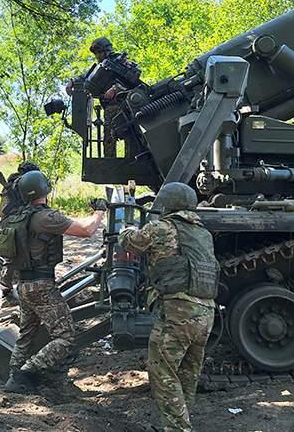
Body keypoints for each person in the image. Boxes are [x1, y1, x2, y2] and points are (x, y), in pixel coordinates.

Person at [118, 182, 219, 432]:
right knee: (188, 373)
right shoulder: (202, 233)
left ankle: (177, 429)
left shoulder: (161, 228)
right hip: (206, 313)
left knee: (162, 372)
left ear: (166, 204)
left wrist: (125, 228)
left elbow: (130, 242)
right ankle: (183, 422)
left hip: (178, 313)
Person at [2, 170, 106, 393]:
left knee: (26, 334)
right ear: (45, 189)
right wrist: (99, 211)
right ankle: (26, 373)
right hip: (42, 286)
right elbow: (87, 230)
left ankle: (13, 375)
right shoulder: (45, 217)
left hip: (24, 285)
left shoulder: (18, 216)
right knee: (67, 337)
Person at [0, 161, 41, 302]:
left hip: (10, 223)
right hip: (15, 223)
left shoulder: (12, 183)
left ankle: (7, 287)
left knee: (12, 255)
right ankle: (13, 288)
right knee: (21, 254)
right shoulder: (20, 184)